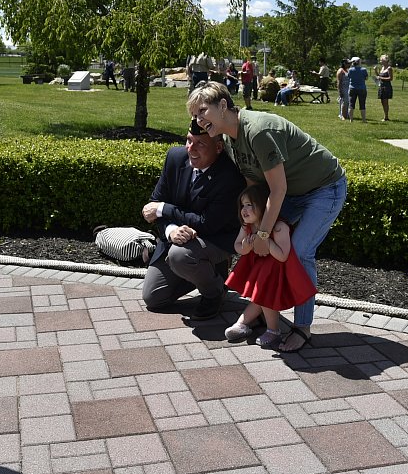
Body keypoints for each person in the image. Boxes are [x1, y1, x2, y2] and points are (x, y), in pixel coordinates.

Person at [187, 82, 346, 353]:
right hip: (289, 193)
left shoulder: (259, 131)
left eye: (202, 111)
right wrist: (255, 228)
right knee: (265, 250)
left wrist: (262, 234)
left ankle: (302, 328)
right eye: (194, 115)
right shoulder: (228, 138)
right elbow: (255, 185)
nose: (198, 120)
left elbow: (278, 189)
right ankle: (263, 313)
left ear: (223, 106)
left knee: (298, 251)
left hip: (324, 189)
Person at [141, 121, 245, 319]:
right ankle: (203, 271)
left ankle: (214, 292)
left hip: (215, 238)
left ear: (218, 147)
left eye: (200, 144)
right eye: (189, 141)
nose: (191, 149)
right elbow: (155, 202)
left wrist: (166, 209)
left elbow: (207, 223)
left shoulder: (229, 175)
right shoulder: (175, 157)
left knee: (180, 256)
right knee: (153, 298)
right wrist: (170, 230)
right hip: (178, 240)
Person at [224, 184, 316, 347]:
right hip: (259, 267)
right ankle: (242, 324)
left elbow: (282, 256)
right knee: (258, 295)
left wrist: (265, 239)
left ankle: (273, 330)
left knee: (263, 293)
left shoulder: (279, 227)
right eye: (242, 205)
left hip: (278, 269)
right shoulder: (247, 226)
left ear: (263, 206)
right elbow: (237, 247)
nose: (244, 210)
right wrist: (246, 245)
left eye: (249, 205)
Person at [345, 57, 368, 123]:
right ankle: (364, 120)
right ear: (359, 62)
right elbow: (366, 78)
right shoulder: (364, 69)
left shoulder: (350, 70)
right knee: (362, 104)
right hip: (362, 88)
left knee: (351, 104)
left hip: (352, 88)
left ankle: (351, 119)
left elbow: (349, 77)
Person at [376, 54, 394, 121]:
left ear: (385, 61)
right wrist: (376, 71)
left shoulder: (389, 68)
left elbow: (391, 78)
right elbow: (379, 76)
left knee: (385, 102)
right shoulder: (382, 68)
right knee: (382, 102)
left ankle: (386, 117)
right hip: (381, 86)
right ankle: (385, 116)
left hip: (386, 87)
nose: (380, 61)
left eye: (381, 60)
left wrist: (380, 77)